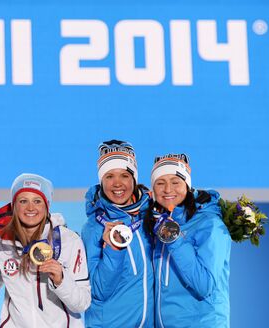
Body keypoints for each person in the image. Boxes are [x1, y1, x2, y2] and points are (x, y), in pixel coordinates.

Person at [0, 173, 91, 328]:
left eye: (37, 201)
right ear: (13, 206)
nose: (30, 208)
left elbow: (82, 303)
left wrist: (61, 280)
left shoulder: (69, 241)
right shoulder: (2, 242)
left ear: (47, 205)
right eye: (23, 201)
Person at [147, 154, 230, 327]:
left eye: (175, 182)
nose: (168, 189)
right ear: (153, 190)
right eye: (160, 183)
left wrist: (174, 238)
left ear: (187, 185)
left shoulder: (210, 224)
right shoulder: (158, 223)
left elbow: (204, 285)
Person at [81, 140, 153, 327]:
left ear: (134, 179)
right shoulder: (94, 228)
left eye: (125, 175)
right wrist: (113, 250)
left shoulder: (151, 218)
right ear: (101, 181)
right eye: (109, 176)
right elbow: (98, 290)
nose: (117, 183)